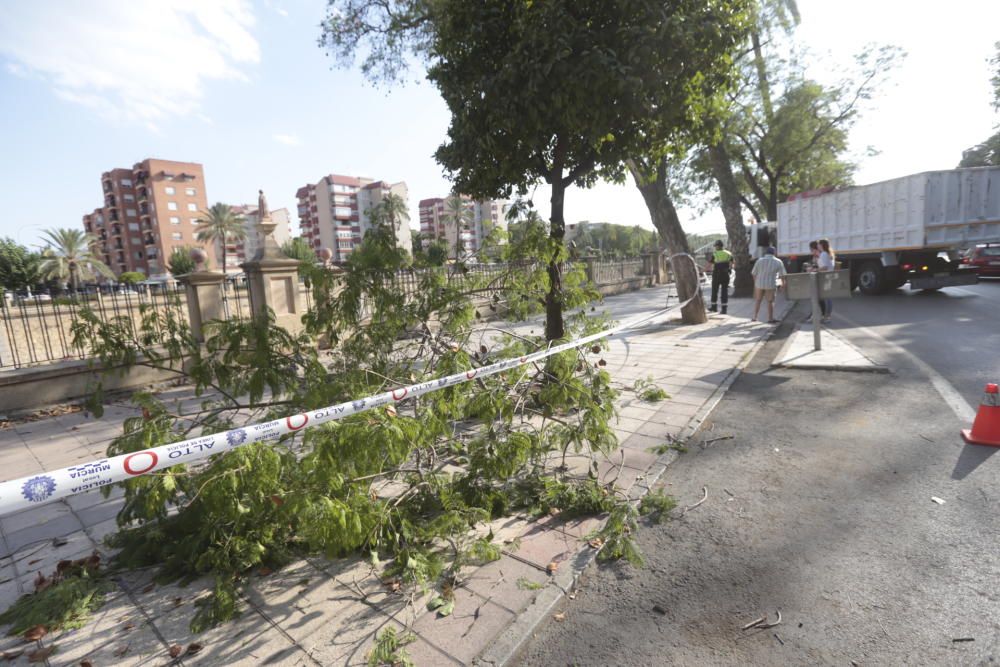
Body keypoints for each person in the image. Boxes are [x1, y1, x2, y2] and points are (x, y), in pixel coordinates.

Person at [751, 246, 786, 323]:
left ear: (766, 252)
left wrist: (755, 283)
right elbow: (782, 275)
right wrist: (782, 285)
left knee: (758, 300)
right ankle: (770, 319)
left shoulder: (759, 261)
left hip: (759, 284)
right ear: (774, 253)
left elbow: (753, 273)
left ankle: (754, 317)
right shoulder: (778, 261)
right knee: (770, 302)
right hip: (771, 285)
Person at [707, 240, 732, 314]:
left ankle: (714, 307)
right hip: (726, 275)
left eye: (715, 246)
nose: (715, 248)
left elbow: (709, 264)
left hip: (717, 275)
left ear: (717, 246)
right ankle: (724, 310)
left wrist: (703, 270)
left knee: (714, 291)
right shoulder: (729, 253)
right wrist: (729, 269)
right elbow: (732, 263)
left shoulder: (715, 254)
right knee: (724, 292)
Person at [817, 238, 835, 322]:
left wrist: (816, 270)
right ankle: (828, 316)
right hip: (829, 277)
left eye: (819, 244)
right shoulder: (829, 253)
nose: (818, 246)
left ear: (822, 245)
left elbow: (824, 267)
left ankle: (827, 316)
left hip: (825, 277)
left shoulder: (823, 254)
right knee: (828, 297)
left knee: (826, 298)